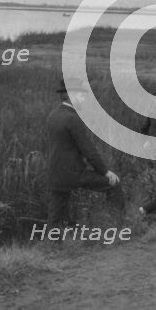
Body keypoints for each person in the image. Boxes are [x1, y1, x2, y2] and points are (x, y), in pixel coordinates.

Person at [46, 78, 124, 227]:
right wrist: (106, 171)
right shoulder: (73, 118)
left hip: (55, 173)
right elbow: (88, 150)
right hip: (74, 173)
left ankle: (52, 245)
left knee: (56, 212)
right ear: (71, 95)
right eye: (81, 95)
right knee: (114, 185)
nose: (83, 98)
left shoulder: (53, 115)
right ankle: (116, 225)